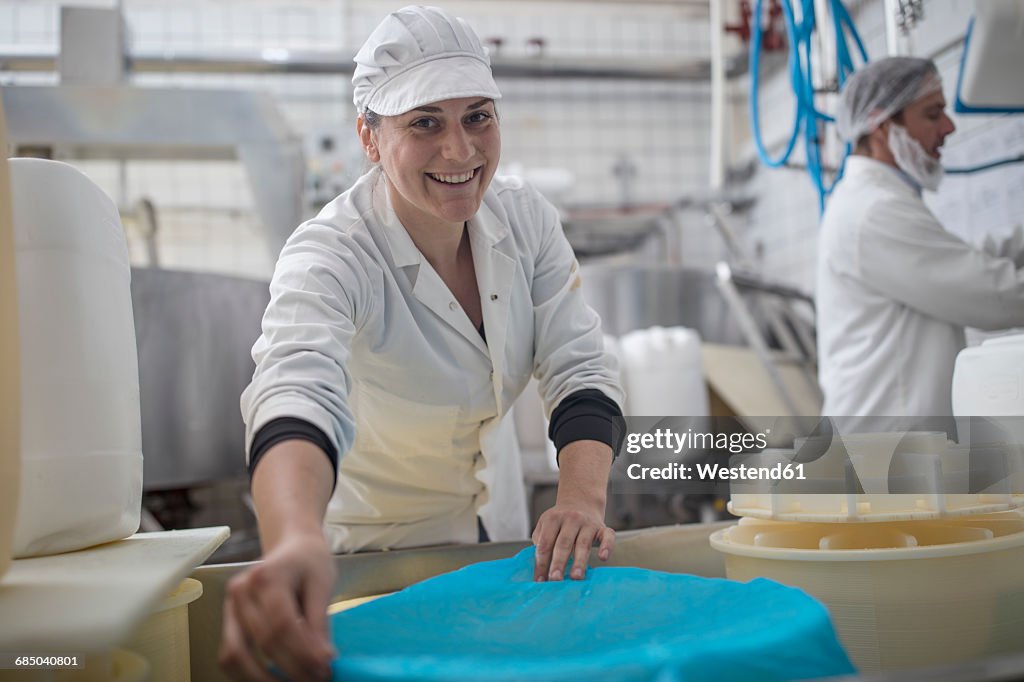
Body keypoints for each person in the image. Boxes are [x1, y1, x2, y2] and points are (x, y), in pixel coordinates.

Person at [219, 6, 624, 681]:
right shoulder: (332, 252)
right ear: (370, 139)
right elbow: (294, 390)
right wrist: (293, 538)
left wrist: (580, 499)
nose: (461, 151)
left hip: (500, 547)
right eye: (424, 123)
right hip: (374, 561)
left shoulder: (523, 221)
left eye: (477, 116)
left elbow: (578, 365)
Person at [816, 56, 1024, 429]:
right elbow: (996, 295)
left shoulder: (877, 202)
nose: (949, 127)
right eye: (932, 115)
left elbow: (965, 263)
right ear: (881, 126)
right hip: (885, 457)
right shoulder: (875, 211)